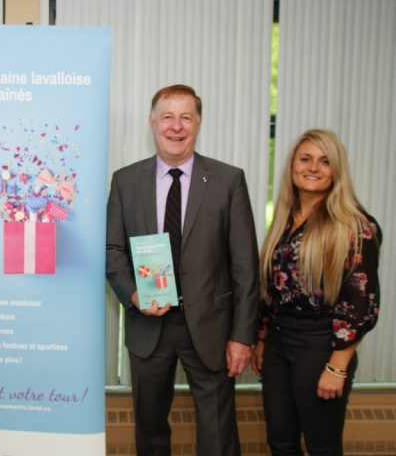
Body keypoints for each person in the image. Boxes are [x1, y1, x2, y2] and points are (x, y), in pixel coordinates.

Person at [106, 84, 259, 456]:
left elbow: (245, 266)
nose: (176, 127)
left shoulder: (228, 180)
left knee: (218, 433)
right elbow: (111, 251)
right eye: (168, 117)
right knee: (151, 429)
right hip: (149, 325)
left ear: (199, 123)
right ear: (152, 123)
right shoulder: (126, 181)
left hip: (211, 328)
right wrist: (133, 293)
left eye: (186, 117)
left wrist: (242, 336)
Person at [251, 129, 381, 455]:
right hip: (279, 346)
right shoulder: (285, 219)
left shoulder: (354, 226)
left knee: (322, 446)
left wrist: (337, 367)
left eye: (325, 162)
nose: (313, 168)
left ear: (337, 170)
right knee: (280, 442)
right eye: (305, 158)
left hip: (321, 347)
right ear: (293, 165)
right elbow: (272, 290)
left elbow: (359, 304)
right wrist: (263, 340)